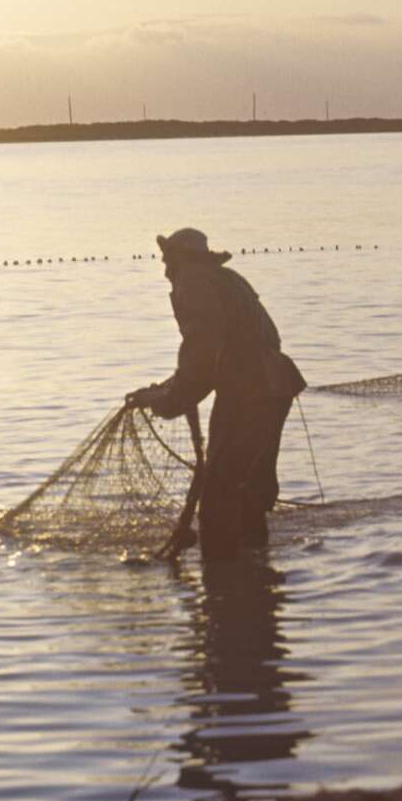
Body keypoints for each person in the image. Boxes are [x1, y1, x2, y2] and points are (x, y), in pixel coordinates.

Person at [127, 228, 306, 557]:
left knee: (220, 489)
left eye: (168, 258)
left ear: (183, 258)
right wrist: (167, 390)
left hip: (250, 391)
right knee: (251, 485)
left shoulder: (191, 282)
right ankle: (256, 575)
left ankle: (222, 579)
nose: (165, 267)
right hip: (274, 385)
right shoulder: (225, 279)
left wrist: (168, 401)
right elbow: (208, 358)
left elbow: (202, 354)